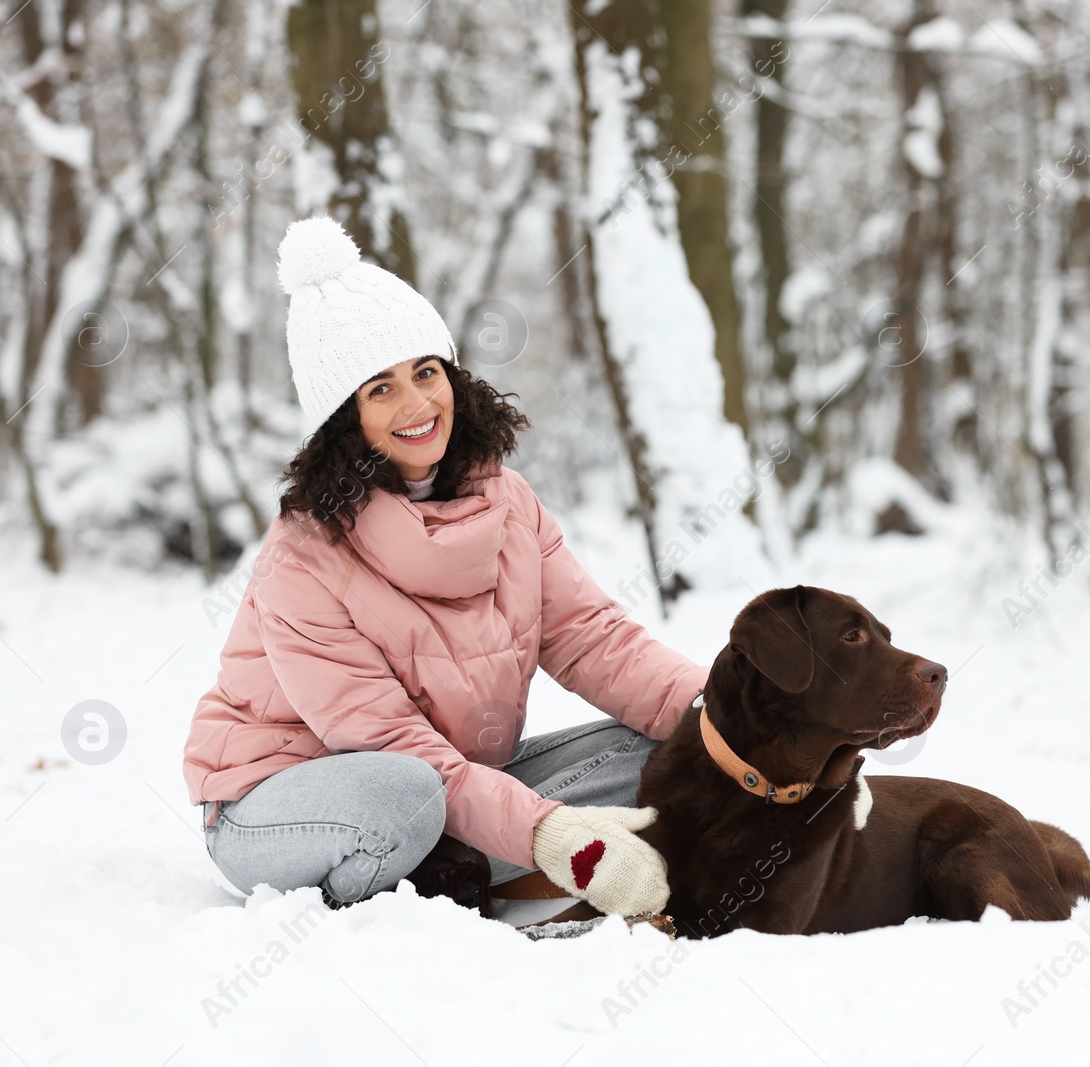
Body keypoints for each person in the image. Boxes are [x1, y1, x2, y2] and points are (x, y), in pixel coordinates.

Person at [181, 214, 706, 918]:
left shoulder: (509, 503)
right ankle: (450, 883)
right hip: (277, 801)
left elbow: (592, 638)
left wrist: (734, 714)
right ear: (344, 418)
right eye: (381, 389)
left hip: (447, 779)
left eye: (426, 372)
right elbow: (392, 744)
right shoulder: (304, 559)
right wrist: (549, 831)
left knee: (665, 751)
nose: (418, 403)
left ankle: (465, 863)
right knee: (405, 796)